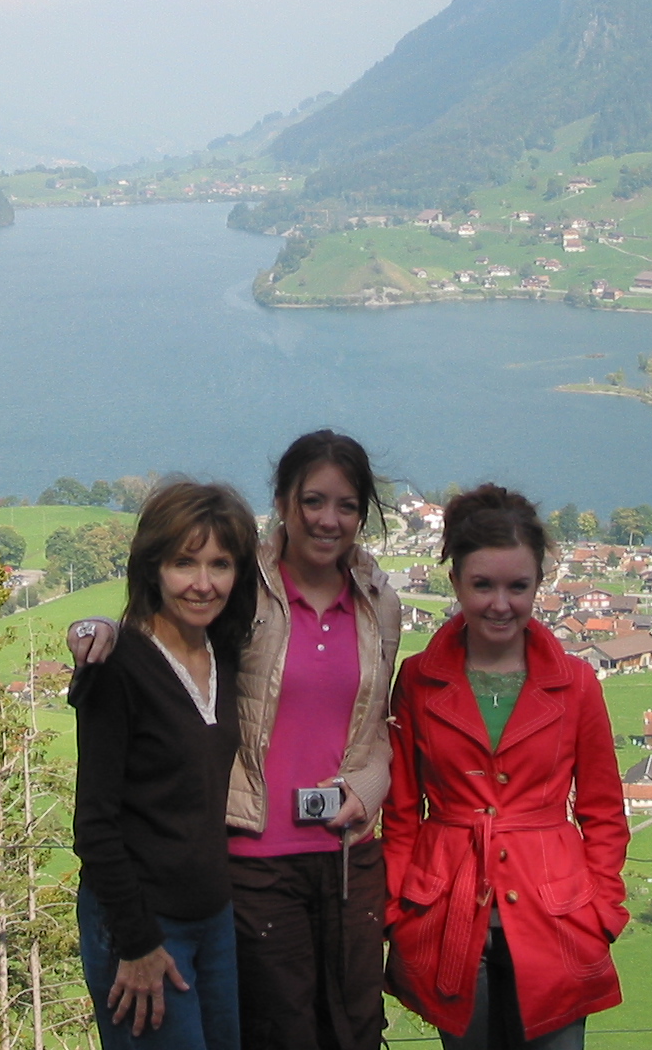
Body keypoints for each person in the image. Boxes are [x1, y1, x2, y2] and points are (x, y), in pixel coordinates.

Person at [69, 431, 402, 1050]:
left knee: (346, 1032)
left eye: (347, 505)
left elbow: (377, 726)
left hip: (279, 886)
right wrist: (93, 629)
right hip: (210, 887)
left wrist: (368, 785)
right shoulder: (197, 630)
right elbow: (95, 822)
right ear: (282, 502)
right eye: (313, 501)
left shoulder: (370, 609)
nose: (204, 582)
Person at [383, 485, 628, 1050]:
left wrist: (603, 911)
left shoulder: (576, 685)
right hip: (445, 912)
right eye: (483, 585)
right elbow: (400, 814)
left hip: (559, 916)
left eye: (518, 587)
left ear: (538, 584)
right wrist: (398, 911)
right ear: (455, 584)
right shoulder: (419, 682)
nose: (501, 603)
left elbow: (602, 811)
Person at [72, 477, 260, 1050]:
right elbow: (94, 826)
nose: (203, 584)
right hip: (140, 926)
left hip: (213, 919)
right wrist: (136, 943)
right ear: (153, 567)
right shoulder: (118, 667)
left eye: (220, 564)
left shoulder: (221, 653)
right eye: (185, 563)